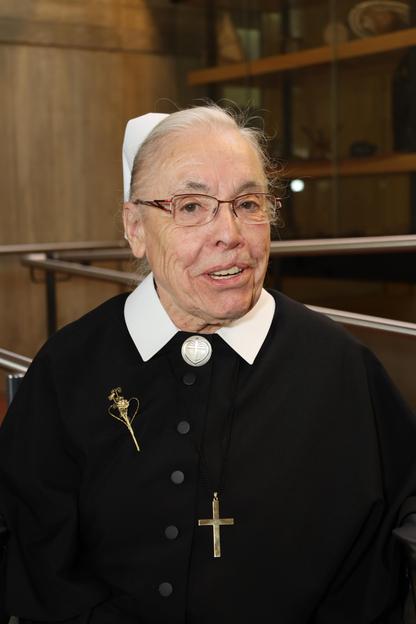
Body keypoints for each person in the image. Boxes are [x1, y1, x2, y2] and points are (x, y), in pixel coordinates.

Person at [0, 104, 416, 624]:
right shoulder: (70, 367)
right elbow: (34, 543)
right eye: (192, 206)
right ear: (136, 228)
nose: (229, 234)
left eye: (248, 203)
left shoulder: (340, 367)